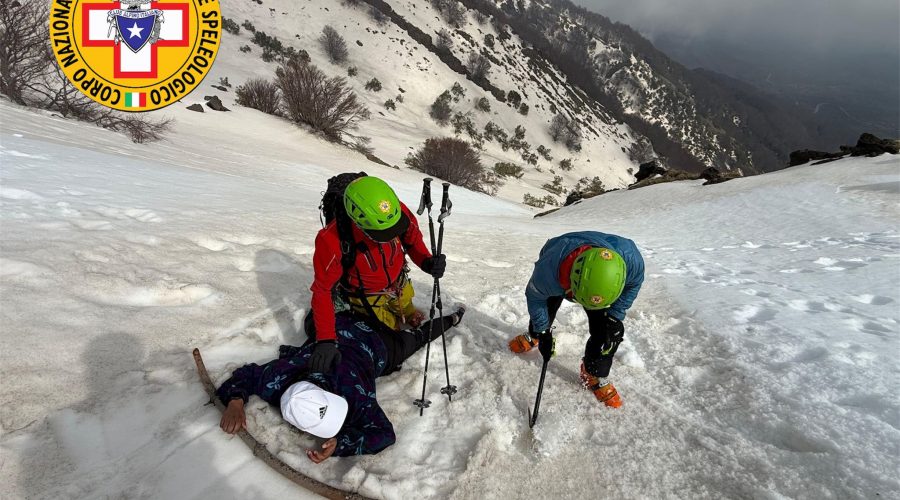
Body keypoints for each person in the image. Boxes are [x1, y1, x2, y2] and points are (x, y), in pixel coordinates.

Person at [218, 307, 465, 463]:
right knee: (314, 321)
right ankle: (451, 318)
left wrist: (235, 400)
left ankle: (453, 318)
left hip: (378, 342)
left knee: (416, 339)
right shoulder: (278, 377)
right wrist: (236, 401)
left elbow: (384, 435)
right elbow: (248, 375)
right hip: (336, 326)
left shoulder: (352, 393)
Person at [307, 175, 447, 374]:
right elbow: (322, 291)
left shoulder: (395, 211)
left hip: (398, 281)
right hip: (367, 296)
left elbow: (412, 240)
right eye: (381, 234)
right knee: (388, 331)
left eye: (392, 231)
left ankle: (407, 313)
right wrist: (326, 340)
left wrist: (426, 261)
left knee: (406, 302)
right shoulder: (331, 240)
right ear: (357, 220)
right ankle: (397, 322)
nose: (389, 236)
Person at [508, 231, 644, 408]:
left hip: (600, 285)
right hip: (561, 267)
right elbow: (536, 298)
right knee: (545, 310)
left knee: (610, 331)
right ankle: (534, 335)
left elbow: (633, 285)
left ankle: (593, 372)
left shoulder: (632, 261)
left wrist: (615, 315)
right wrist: (543, 331)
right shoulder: (548, 272)